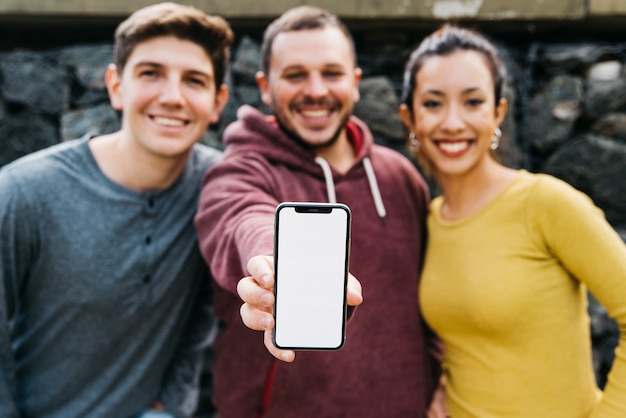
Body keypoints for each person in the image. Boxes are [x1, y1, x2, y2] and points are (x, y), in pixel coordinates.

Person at [194, 6, 442, 417]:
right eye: (295, 75)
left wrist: (440, 380)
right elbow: (243, 218)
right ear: (265, 87)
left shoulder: (400, 177)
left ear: (356, 83)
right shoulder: (237, 171)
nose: (315, 90)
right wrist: (272, 268)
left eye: (331, 73)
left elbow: (432, 298)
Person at [0, 3, 232, 417]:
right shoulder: (23, 193)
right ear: (115, 85)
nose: (172, 97)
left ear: (218, 102)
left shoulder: (216, 186)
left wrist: (170, 407)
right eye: (150, 73)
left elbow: (204, 309)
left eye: (194, 80)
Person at [398, 24, 626, 417]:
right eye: (433, 104)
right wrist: (440, 385)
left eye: (473, 102)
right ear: (409, 118)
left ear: (498, 112)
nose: (453, 122)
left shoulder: (545, 203)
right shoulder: (429, 222)